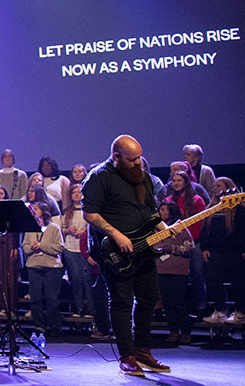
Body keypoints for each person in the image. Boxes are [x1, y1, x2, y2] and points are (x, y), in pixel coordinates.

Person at [81, 134, 172, 376]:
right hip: (113, 250)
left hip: (143, 247)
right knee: (121, 300)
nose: (137, 163)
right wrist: (116, 234)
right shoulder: (99, 177)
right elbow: (90, 214)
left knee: (149, 297)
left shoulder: (142, 176)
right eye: (132, 159)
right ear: (116, 157)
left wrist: (163, 229)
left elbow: (151, 210)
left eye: (140, 158)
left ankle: (143, 351)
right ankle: (127, 356)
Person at [200, 177, 245, 326]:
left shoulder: (240, 207)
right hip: (215, 251)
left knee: (237, 281)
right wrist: (205, 248)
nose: (214, 188)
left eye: (218, 186)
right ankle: (220, 311)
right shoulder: (211, 207)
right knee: (214, 279)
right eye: (214, 186)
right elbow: (204, 230)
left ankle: (240, 312)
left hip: (234, 250)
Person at [154, 202, 194, 343]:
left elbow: (189, 248)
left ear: (171, 211)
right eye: (160, 210)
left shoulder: (181, 228)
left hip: (178, 271)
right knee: (167, 303)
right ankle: (173, 331)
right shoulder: (155, 229)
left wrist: (170, 248)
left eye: (164, 210)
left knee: (178, 302)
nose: (161, 212)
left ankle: (186, 332)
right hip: (161, 269)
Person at [22, 203, 64, 336]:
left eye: (36, 209)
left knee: (51, 299)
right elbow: (25, 246)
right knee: (35, 298)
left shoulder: (54, 228)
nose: (33, 211)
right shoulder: (30, 228)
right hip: (34, 266)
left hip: (51, 267)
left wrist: (42, 245)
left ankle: (55, 326)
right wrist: (32, 247)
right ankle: (39, 326)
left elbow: (59, 247)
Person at [60, 183, 93, 318]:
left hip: (85, 249)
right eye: (74, 193)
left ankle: (91, 307)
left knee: (87, 279)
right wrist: (68, 230)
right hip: (71, 248)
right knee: (76, 279)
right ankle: (79, 307)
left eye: (79, 192)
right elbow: (61, 229)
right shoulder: (67, 211)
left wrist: (84, 232)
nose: (77, 194)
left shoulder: (89, 210)